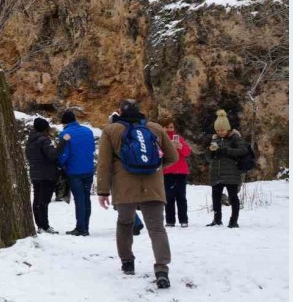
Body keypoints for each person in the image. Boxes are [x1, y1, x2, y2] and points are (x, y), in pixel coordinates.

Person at [96, 100, 179, 289]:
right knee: (157, 227)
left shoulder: (111, 130)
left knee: (125, 223)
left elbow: (104, 164)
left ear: (119, 112)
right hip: (154, 185)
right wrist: (156, 168)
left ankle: (127, 262)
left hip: (124, 185)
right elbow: (173, 156)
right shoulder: (156, 128)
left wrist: (102, 190)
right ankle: (162, 269)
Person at [206, 109, 250, 228]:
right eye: (218, 130)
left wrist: (226, 150)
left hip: (232, 172)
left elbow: (243, 150)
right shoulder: (214, 139)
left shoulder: (235, 138)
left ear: (228, 128)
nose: (220, 132)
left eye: (222, 130)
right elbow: (208, 157)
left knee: (233, 197)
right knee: (216, 197)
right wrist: (210, 151)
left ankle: (233, 220)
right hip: (217, 172)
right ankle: (217, 219)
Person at [57, 111, 96, 236]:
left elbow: (64, 154)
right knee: (86, 198)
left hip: (74, 171)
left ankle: (80, 228)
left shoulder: (65, 134)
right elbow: (92, 148)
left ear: (64, 122)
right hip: (88, 169)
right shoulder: (88, 131)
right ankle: (86, 226)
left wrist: (61, 165)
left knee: (79, 199)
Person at [26, 117, 59, 234]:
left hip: (35, 173)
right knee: (44, 201)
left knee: (37, 200)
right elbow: (52, 155)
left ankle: (39, 225)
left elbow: (28, 157)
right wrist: (61, 145)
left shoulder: (30, 140)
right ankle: (45, 226)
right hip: (47, 174)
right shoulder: (44, 140)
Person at [162, 117, 192, 227]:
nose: (170, 129)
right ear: (162, 128)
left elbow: (188, 152)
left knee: (181, 196)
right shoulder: (160, 139)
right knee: (169, 197)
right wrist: (168, 147)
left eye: (171, 127)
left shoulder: (179, 138)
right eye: (167, 127)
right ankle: (170, 220)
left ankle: (183, 220)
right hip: (167, 171)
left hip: (180, 171)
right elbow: (159, 154)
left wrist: (180, 146)